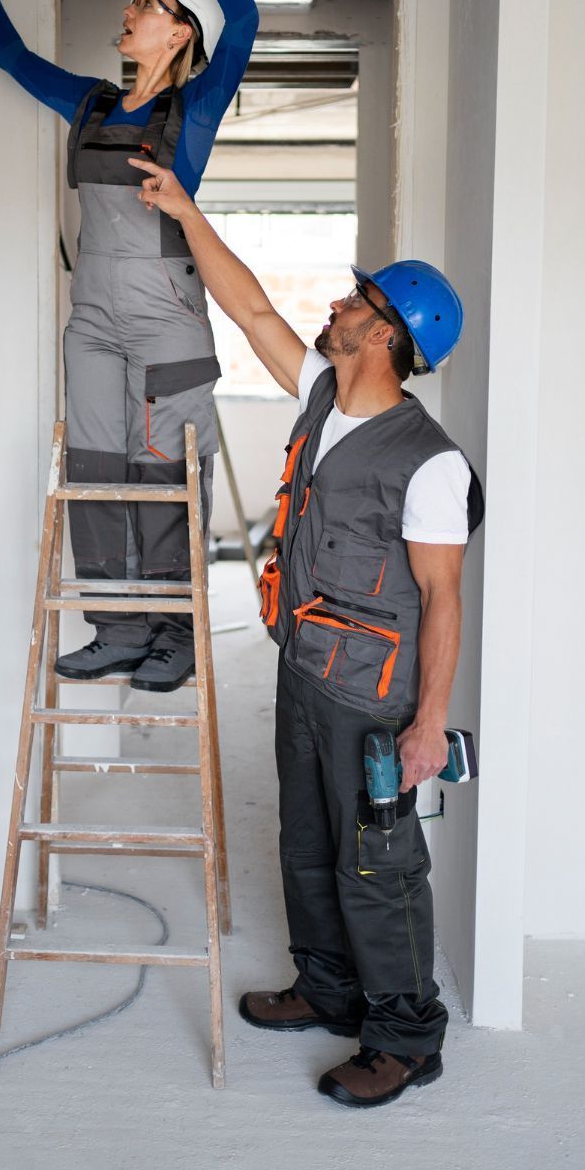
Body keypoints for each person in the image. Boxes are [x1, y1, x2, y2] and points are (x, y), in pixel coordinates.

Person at [126, 158, 484, 1108]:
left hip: (377, 695)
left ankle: (406, 1037)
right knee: (303, 841)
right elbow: (248, 312)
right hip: (305, 668)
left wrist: (426, 725)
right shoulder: (322, 398)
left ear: (387, 332)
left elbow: (442, 600)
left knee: (378, 860)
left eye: (356, 300)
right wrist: (185, 210)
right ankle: (328, 989)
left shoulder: (431, 463)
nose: (337, 304)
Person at [0, 0, 259, 693]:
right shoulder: (90, 105)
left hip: (168, 324)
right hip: (91, 321)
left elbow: (248, 26)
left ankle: (173, 632)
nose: (129, 11)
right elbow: (14, 60)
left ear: (180, 30)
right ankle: (118, 627)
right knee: (95, 469)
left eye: (146, 3)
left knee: (163, 478)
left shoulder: (194, 111)